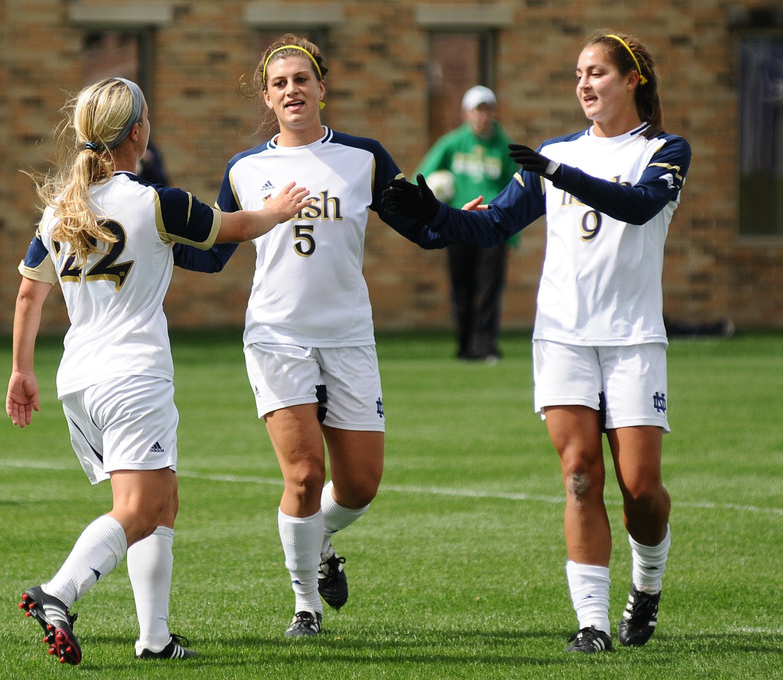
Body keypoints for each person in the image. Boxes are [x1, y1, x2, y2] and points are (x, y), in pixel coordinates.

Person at [382, 32, 688, 653]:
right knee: (579, 476)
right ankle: (592, 624)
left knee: (641, 491)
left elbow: (637, 206)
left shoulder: (663, 150)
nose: (584, 84)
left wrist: (558, 173)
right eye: (578, 74)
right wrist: (430, 214)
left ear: (632, 80)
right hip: (563, 337)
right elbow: (494, 223)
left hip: (632, 339)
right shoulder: (555, 153)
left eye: (597, 72)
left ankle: (647, 583)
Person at [5, 77, 312, 665]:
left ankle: (155, 639)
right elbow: (231, 230)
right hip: (132, 377)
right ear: (137, 131)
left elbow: (27, 295)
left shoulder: (59, 209)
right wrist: (276, 210)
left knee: (162, 498)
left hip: (80, 379)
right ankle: (58, 592)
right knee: (139, 508)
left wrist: (21, 371)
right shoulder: (156, 202)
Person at [174, 34, 450, 638]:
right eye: (279, 83)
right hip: (277, 336)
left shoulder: (363, 157)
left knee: (360, 486)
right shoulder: (245, 169)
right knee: (303, 475)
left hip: (349, 337)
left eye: (302, 79)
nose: (291, 90)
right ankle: (306, 606)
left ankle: (317, 541)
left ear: (322, 88)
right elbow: (216, 252)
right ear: (267, 98)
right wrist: (157, 243)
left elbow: (419, 226)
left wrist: (461, 223)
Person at [415, 86, 519, 361]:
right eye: (477, 110)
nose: (482, 115)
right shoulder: (452, 143)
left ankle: (486, 346)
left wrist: (513, 233)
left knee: (489, 288)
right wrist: (435, 205)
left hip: (493, 226)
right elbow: (422, 176)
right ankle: (464, 347)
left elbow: (517, 191)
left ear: (493, 112)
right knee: (462, 287)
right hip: (458, 224)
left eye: (487, 109)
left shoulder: (504, 146)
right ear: (466, 113)